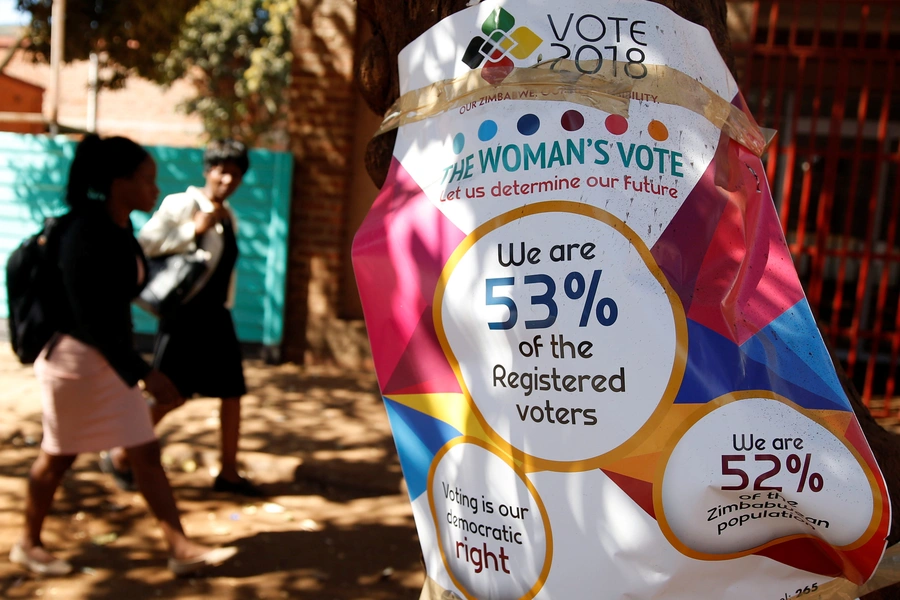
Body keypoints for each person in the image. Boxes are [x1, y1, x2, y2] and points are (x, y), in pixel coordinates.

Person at [11, 134, 237, 577]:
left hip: (106, 360)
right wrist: (142, 372)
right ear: (119, 183)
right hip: (76, 363)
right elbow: (89, 317)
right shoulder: (84, 232)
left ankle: (180, 548)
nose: (155, 190)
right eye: (147, 180)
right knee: (58, 455)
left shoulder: (117, 229)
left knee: (144, 451)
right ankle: (27, 543)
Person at [105, 139, 261, 497]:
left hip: (217, 317)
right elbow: (144, 245)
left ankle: (229, 472)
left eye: (235, 174)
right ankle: (119, 455)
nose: (227, 180)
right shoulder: (184, 204)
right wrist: (194, 229)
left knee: (233, 392)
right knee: (171, 395)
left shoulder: (230, 215)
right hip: (185, 318)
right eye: (221, 171)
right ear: (208, 171)